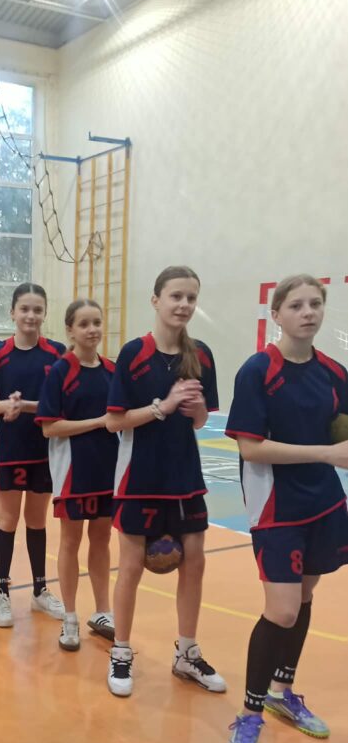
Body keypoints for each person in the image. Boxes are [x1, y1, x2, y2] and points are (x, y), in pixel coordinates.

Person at [225, 275, 348, 743]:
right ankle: (249, 714)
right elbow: (251, 448)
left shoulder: (334, 372)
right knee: (281, 610)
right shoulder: (258, 370)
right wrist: (327, 454)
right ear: (276, 314)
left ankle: (282, 691)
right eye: (296, 305)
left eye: (315, 303)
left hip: (324, 502)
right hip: (276, 504)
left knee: (304, 598)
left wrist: (334, 452)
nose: (308, 312)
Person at [105, 266, 226, 697]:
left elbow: (200, 421)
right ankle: (121, 651)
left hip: (184, 478)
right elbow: (114, 421)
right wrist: (164, 405)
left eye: (191, 297)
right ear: (156, 300)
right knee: (131, 567)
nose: (184, 304)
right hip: (140, 478)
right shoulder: (133, 354)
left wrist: (195, 411)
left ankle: (186, 652)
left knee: (195, 563)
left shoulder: (202, 355)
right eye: (176, 296)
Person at [0, 282, 65, 628]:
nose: (31, 315)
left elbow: (62, 404)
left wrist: (26, 406)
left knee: (37, 521)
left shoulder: (57, 354)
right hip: (11, 449)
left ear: (44, 313)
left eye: (37, 309)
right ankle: (2, 592)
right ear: (12, 312)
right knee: (8, 519)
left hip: (45, 450)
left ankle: (40, 591)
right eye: (24, 308)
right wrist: (6, 407)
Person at [36, 299, 119, 650]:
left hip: (108, 469)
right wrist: (98, 422)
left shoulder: (113, 371)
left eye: (96, 322)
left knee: (102, 539)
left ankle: (103, 612)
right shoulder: (60, 371)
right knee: (71, 541)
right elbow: (49, 427)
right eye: (84, 324)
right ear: (70, 330)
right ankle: (69, 617)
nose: (92, 329)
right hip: (73, 470)